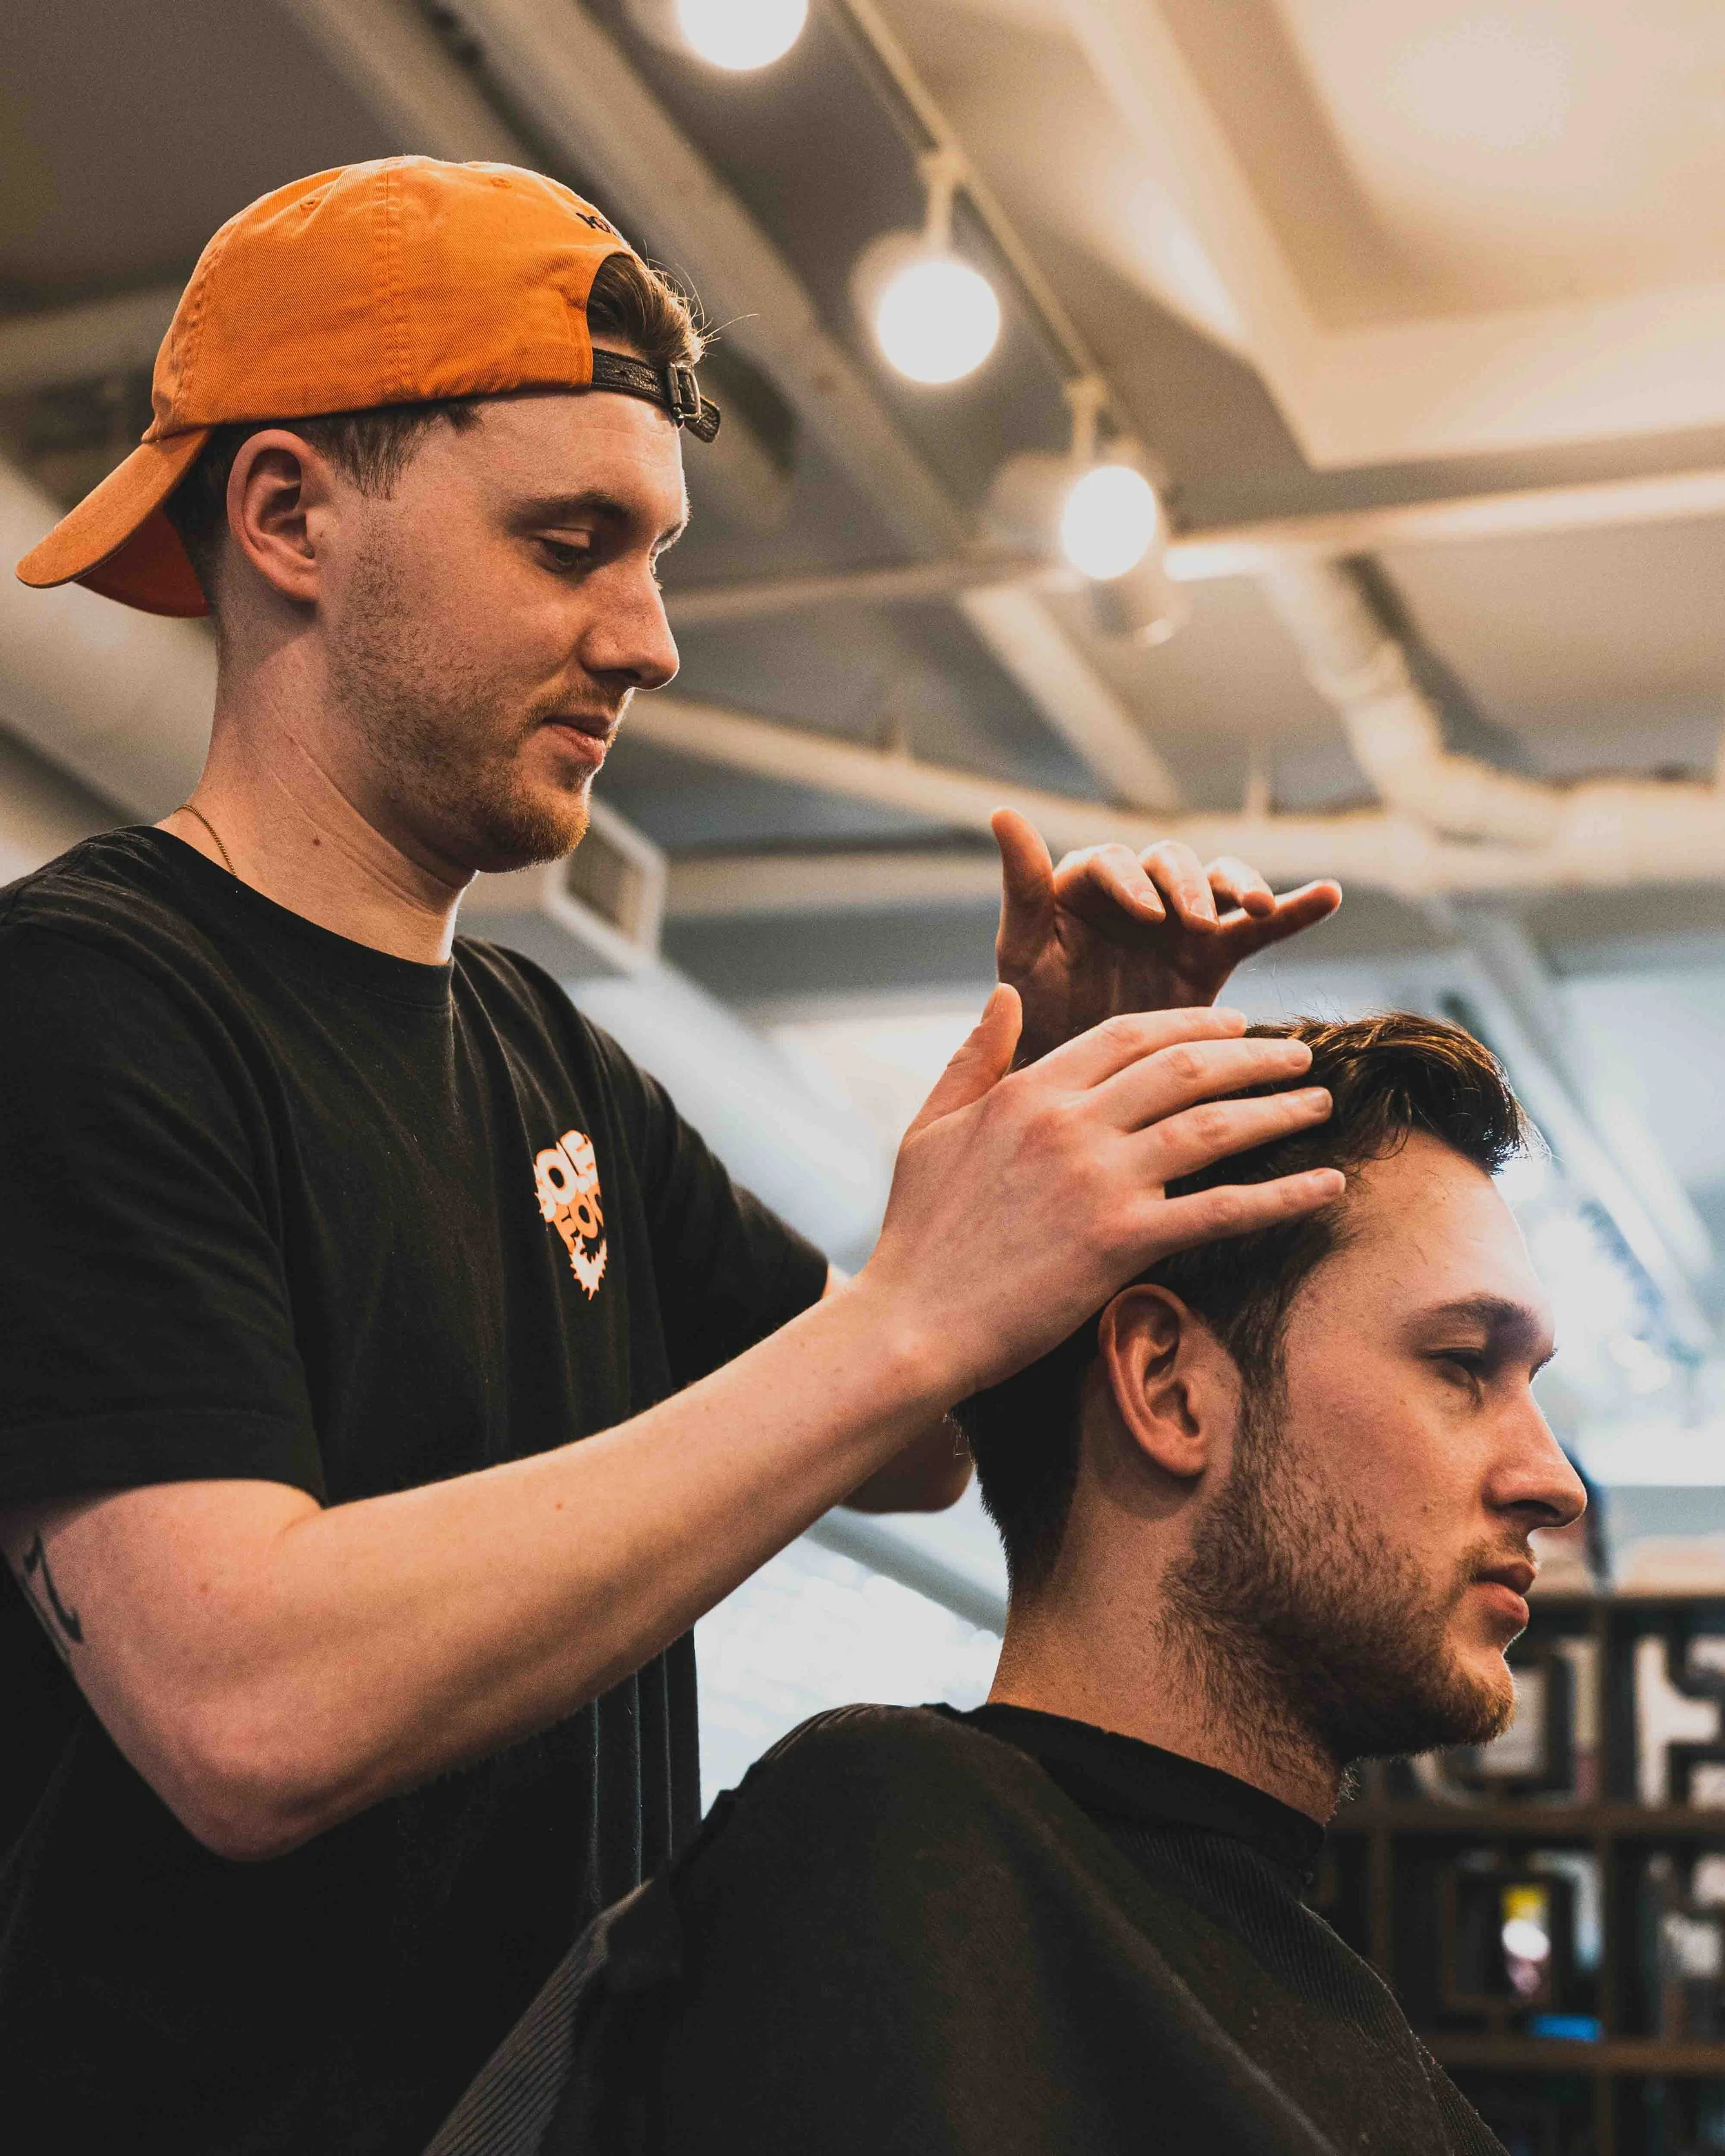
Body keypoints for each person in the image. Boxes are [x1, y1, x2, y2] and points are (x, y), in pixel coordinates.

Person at [0, 157, 1343, 2153]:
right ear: (288, 514)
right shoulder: (92, 1005)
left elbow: (916, 1435)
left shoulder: (550, 1062)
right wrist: (904, 1315)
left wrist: (1054, 1100)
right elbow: (240, 1707)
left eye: (656, 553)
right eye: (569, 541)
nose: (647, 637)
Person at [506, 1013, 1587, 2156]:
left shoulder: (1300, 1988)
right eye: (1465, 1365)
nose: (1552, 1482)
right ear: (1171, 1390)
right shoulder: (899, 1856)